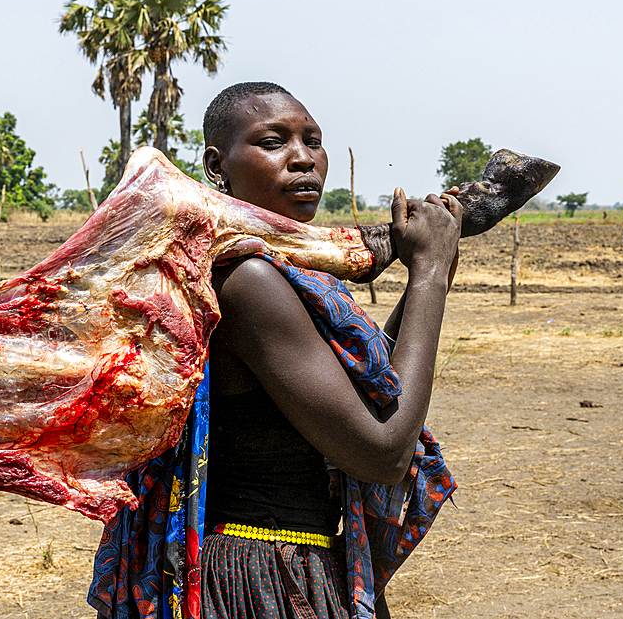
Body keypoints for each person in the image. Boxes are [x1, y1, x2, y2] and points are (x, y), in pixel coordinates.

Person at [89, 82, 461, 619]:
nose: (303, 158)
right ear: (218, 165)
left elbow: (373, 389)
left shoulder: (270, 271)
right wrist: (426, 277)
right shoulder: (248, 280)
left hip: (277, 565)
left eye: (313, 140)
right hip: (262, 575)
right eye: (273, 141)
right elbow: (383, 451)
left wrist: (430, 278)